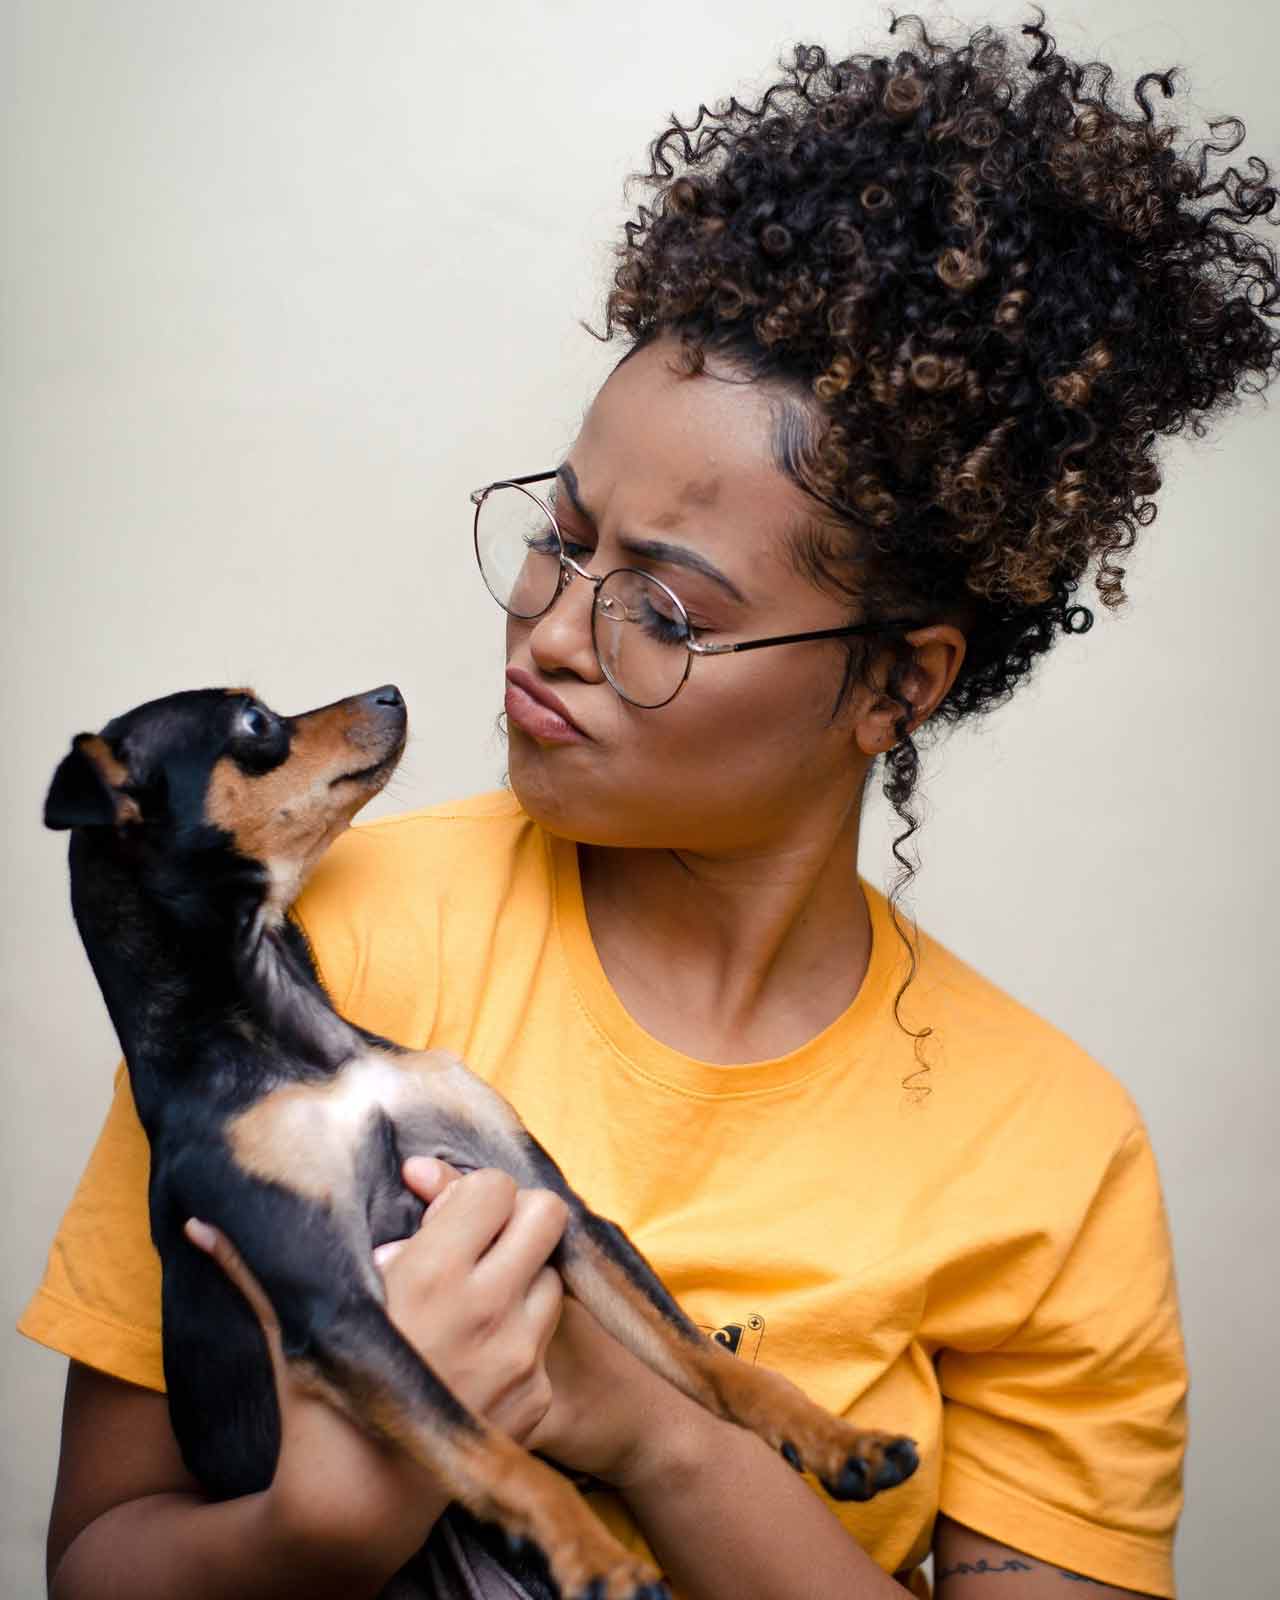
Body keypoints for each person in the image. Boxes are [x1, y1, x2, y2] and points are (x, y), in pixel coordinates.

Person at [21, 14, 1278, 1599]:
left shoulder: (1048, 1153)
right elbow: (100, 1560)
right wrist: (317, 1530)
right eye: (560, 534)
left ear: (899, 685)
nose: (552, 626)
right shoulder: (319, 939)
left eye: (668, 613)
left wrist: (653, 1432)